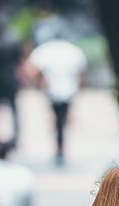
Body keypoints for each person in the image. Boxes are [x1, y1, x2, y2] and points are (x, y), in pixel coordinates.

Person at [26, 37, 87, 165]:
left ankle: (59, 148)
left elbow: (31, 68)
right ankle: (61, 147)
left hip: (52, 91)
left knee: (57, 121)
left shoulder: (45, 50)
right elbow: (82, 72)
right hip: (69, 90)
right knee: (61, 120)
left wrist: (39, 82)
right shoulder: (72, 50)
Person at [0, 20, 23, 149]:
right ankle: (16, 138)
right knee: (14, 110)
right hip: (10, 79)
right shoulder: (13, 42)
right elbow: (19, 62)